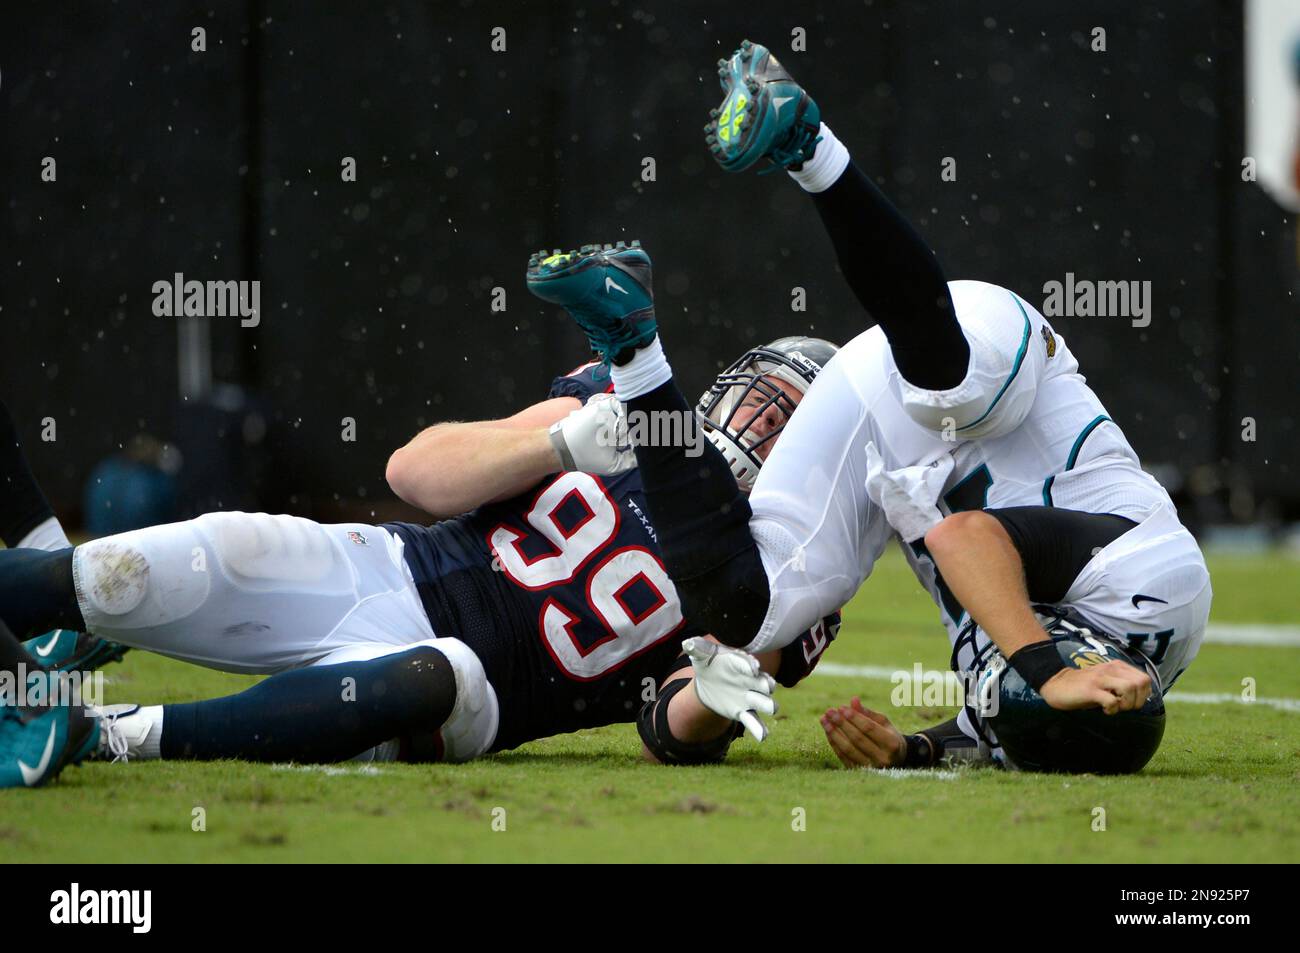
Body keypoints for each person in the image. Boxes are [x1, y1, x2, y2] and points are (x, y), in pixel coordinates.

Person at [532, 40, 1212, 773]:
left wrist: (914, 748)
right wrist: (1050, 671)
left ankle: (631, 341)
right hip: (982, 359)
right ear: (1101, 668)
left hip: (885, 451)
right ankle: (806, 143)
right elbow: (968, 540)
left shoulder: (1040, 704)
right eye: (1045, 675)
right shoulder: (1162, 597)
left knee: (744, 610)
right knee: (953, 392)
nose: (1026, 675)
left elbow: (995, 725)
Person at [0, 335, 840, 786]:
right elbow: (413, 469)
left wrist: (713, 700)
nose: (759, 423)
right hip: (385, 565)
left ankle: (111, 736)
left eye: (787, 421)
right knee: (126, 573)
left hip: (481, 691)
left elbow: (667, 738)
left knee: (438, 672)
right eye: (765, 397)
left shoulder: (797, 574)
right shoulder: (626, 415)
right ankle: (37, 644)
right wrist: (559, 440)